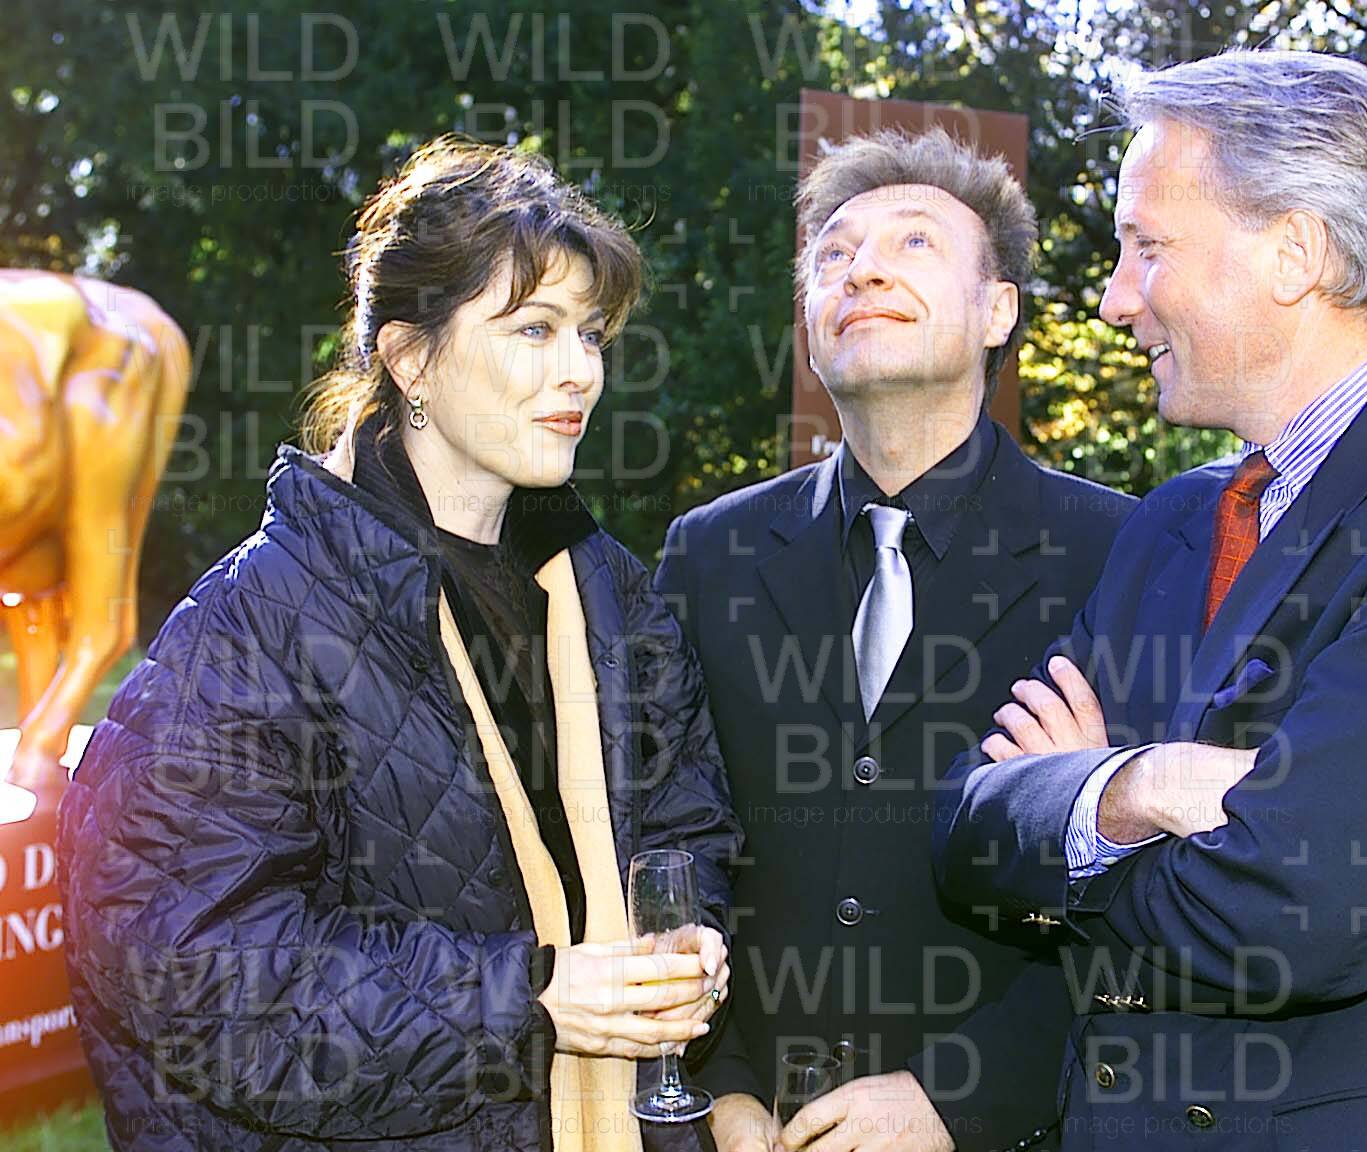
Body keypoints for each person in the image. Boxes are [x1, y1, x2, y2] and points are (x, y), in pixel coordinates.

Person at [934, 50, 1367, 1151]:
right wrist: (1143, 787)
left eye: (1148, 246)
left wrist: (1076, 817)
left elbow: (1294, 910)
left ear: (1295, 251)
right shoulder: (1168, 525)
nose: (1114, 299)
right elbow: (964, 835)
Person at [59, 136, 742, 1152]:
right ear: (410, 357)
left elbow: (690, 827)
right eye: (534, 329)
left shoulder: (617, 597)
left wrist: (691, 936)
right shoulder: (257, 621)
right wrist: (528, 1003)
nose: (579, 372)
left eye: (591, 335)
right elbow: (191, 974)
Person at [655, 130, 1134, 1152]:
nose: (861, 269)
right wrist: (717, 1083)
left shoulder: (1120, 553)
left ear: (998, 310)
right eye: (833, 253)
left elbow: (1157, 892)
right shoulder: (708, 555)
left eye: (914, 242)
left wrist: (959, 1099)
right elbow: (661, 843)